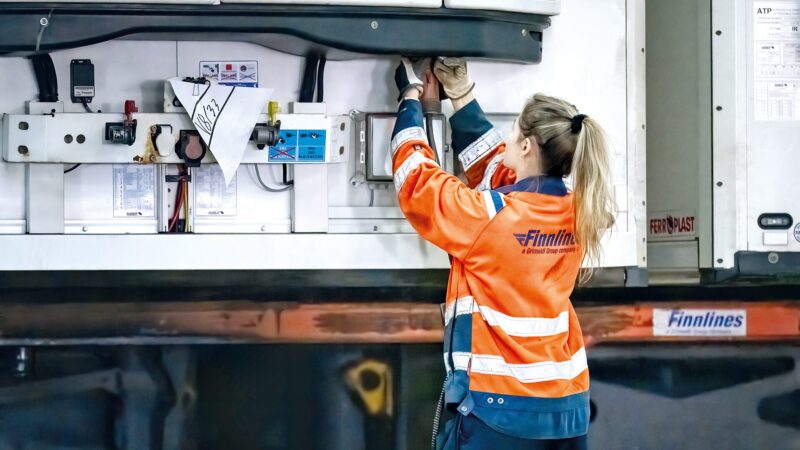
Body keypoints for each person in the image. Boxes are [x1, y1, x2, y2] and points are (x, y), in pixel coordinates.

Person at [391, 57, 616, 450]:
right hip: (566, 408)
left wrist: (409, 97)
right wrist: (460, 95)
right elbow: (500, 172)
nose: (505, 140)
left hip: (500, 412)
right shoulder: (579, 210)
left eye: (511, 133)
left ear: (527, 146)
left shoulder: (491, 219)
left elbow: (418, 183)